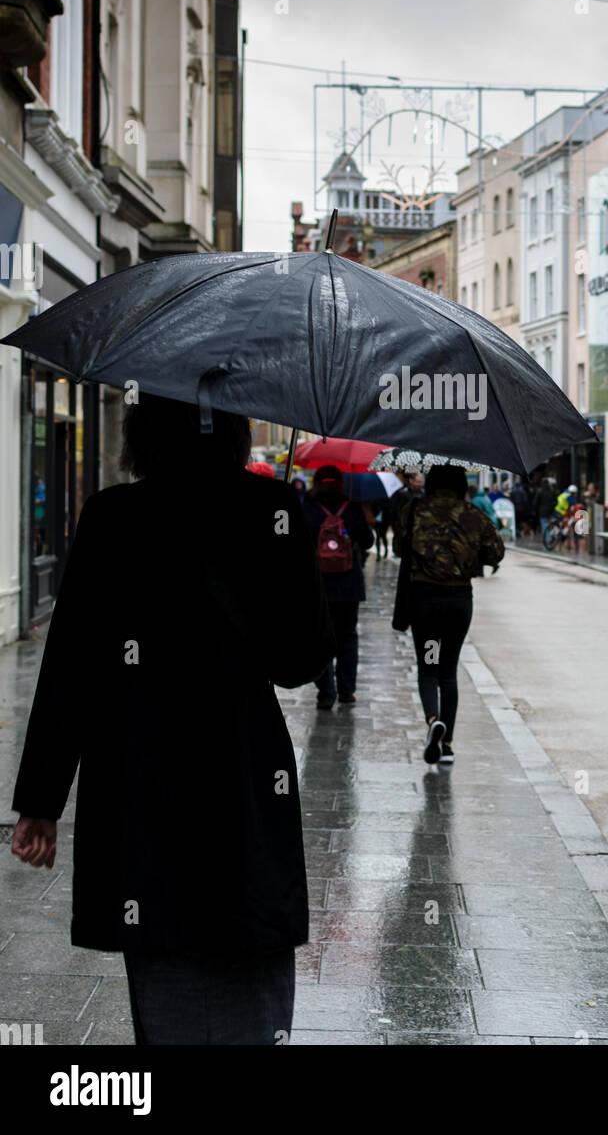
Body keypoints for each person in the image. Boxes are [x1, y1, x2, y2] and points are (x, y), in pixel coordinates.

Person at [10, 393, 335, 1046]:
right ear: (238, 434)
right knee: (248, 928)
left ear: (140, 433)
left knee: (160, 939)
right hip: (243, 769)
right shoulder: (271, 510)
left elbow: (71, 665)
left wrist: (41, 801)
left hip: (140, 766)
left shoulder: (112, 516)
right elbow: (302, 660)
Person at [393, 465, 505, 766]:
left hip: (425, 601)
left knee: (428, 667)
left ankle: (432, 721)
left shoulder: (414, 509)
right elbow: (496, 553)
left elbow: (398, 547)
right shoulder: (473, 515)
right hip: (458, 602)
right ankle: (448, 743)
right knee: (448, 672)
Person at [302, 465, 374, 708]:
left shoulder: (308, 508)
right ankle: (346, 690)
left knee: (321, 637)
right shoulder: (351, 507)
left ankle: (326, 693)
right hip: (349, 585)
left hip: (318, 585)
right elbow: (367, 541)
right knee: (347, 636)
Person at [533, 477, 557, 542]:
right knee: (551, 525)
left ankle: (547, 540)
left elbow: (535, 502)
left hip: (543, 512)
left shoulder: (540, 491)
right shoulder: (551, 492)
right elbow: (556, 501)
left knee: (544, 525)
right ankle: (552, 538)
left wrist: (535, 510)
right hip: (551, 511)